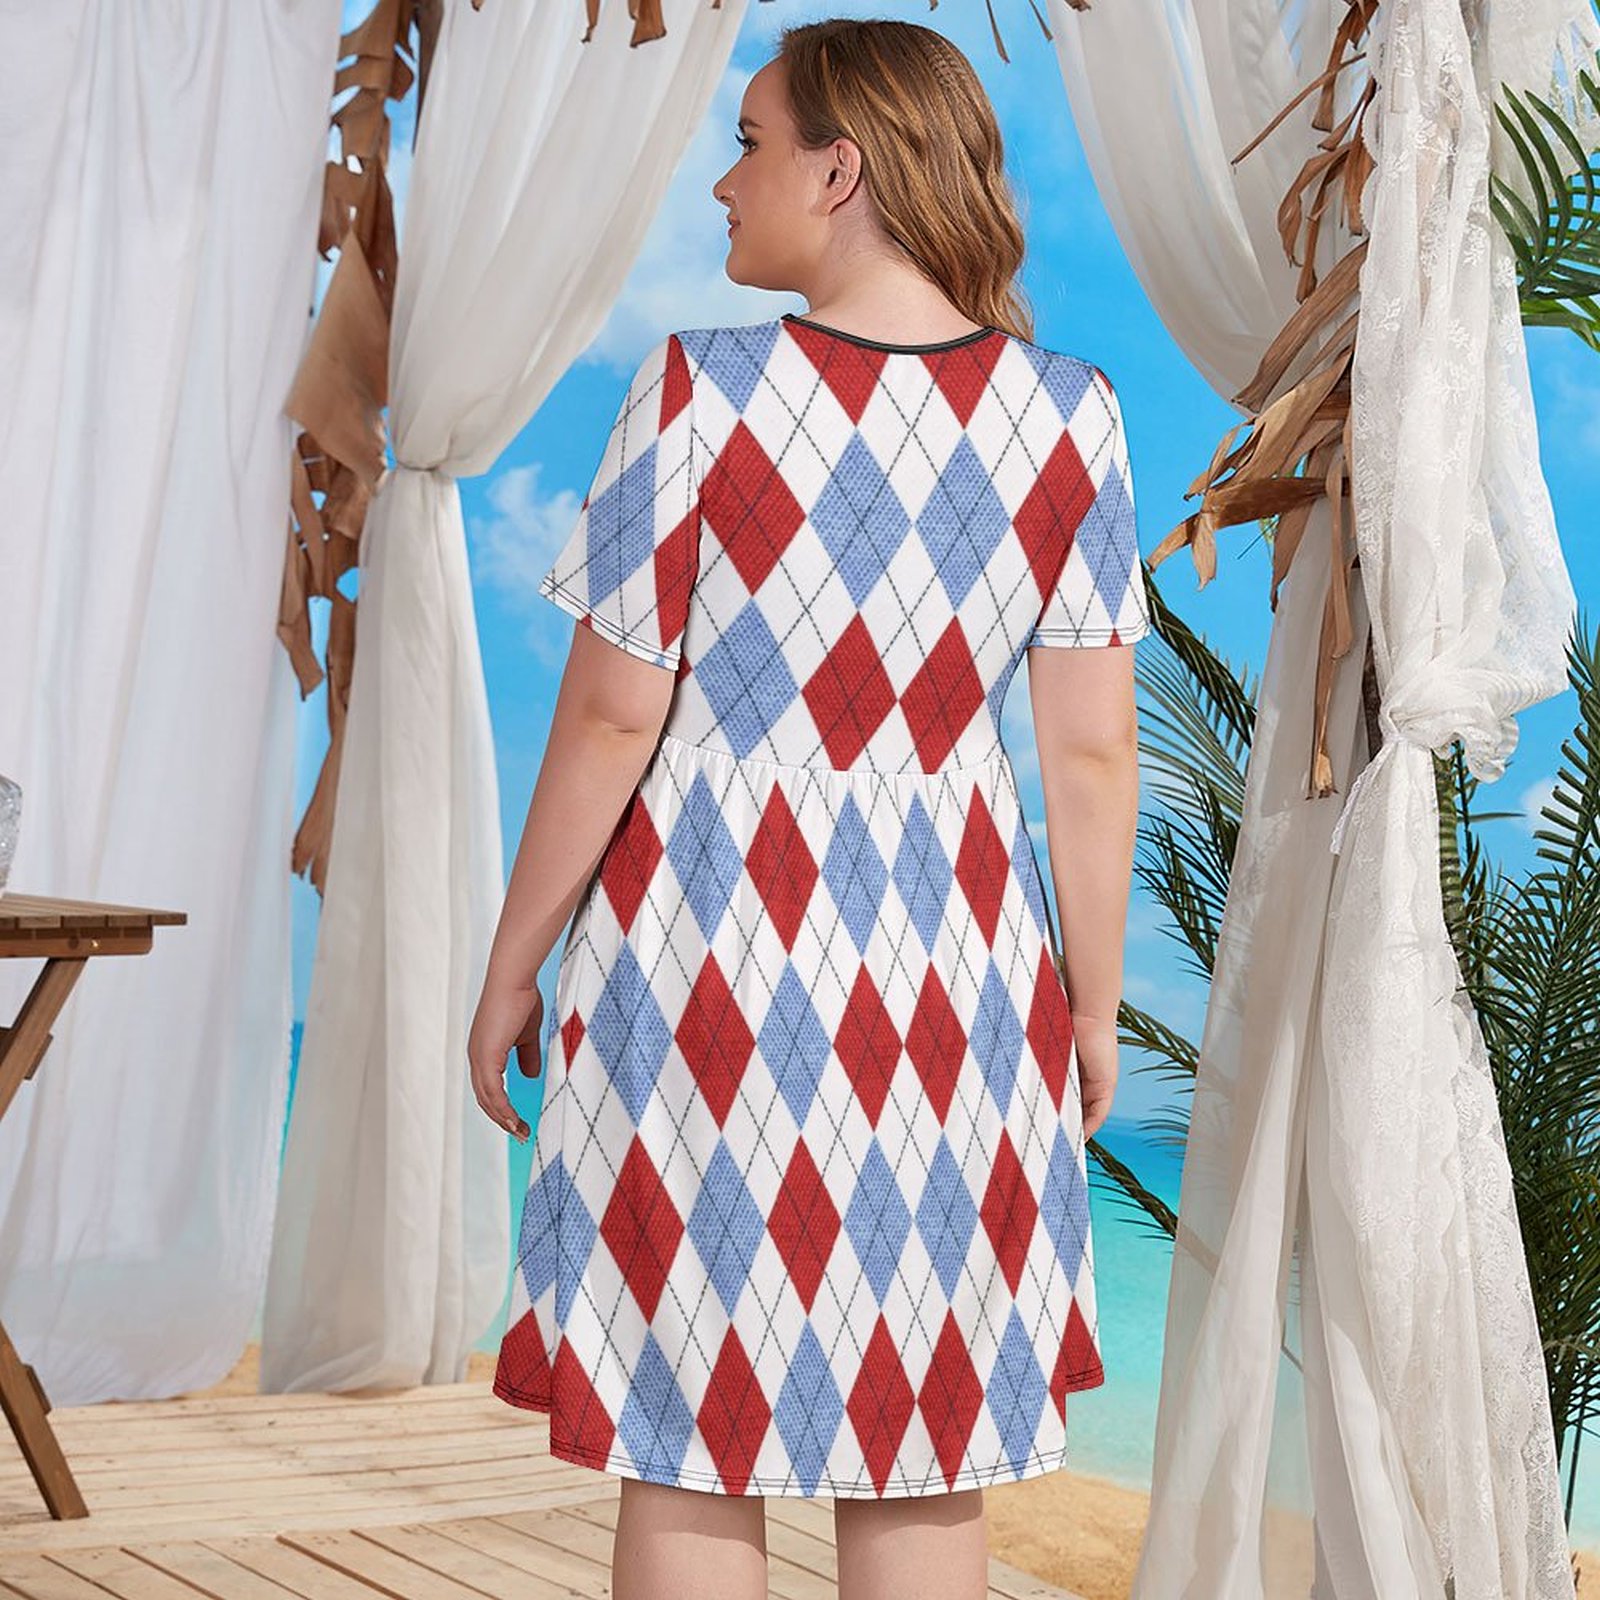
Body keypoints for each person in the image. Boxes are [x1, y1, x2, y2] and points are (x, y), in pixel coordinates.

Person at [467, 17, 1150, 1600]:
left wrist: (514, 959)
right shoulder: (1075, 415)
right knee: (922, 1448)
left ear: (840, 172)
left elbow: (613, 714)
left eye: (751, 143)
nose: (724, 183)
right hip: (954, 983)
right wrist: (1087, 1007)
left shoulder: (697, 393)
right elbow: (1091, 757)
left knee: (692, 1432)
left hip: (706, 965)